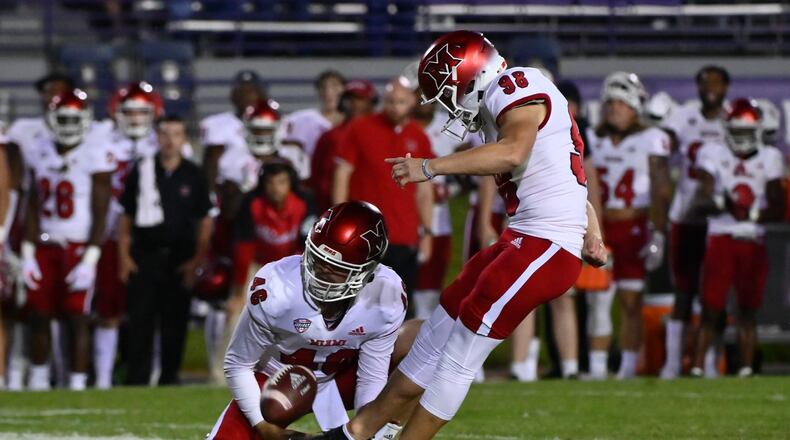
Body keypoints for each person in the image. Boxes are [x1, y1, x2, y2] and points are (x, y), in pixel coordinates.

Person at [316, 30, 607, 440]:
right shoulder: (501, 101)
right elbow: (569, 181)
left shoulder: (515, 84)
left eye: (447, 92)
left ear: (467, 75)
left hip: (544, 244)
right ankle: (356, 432)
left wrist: (430, 166)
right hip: (522, 238)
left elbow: (513, 153)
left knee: (458, 356)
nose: (449, 104)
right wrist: (592, 231)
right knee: (434, 335)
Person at [208, 201, 411, 440]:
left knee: (417, 338)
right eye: (317, 258)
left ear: (366, 270)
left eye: (335, 267)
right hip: (276, 381)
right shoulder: (276, 287)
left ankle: (388, 434)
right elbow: (239, 365)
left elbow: (371, 377)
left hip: (340, 378)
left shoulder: (386, 296)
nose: (321, 271)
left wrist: (367, 430)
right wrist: (264, 426)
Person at [20, 89, 115, 391]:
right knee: (39, 316)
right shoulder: (39, 149)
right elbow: (33, 204)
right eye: (63, 118)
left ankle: (76, 382)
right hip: (46, 246)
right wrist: (27, 250)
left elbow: (102, 213)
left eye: (74, 119)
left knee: (78, 318)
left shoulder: (95, 153)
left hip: (77, 247)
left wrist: (91, 257)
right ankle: (37, 379)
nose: (69, 125)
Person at [585, 72, 672, 379]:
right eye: (609, 103)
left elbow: (661, 188)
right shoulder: (591, 138)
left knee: (631, 301)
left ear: (635, 107)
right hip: (601, 223)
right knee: (598, 300)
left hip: (634, 225)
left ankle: (627, 368)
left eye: (621, 104)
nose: (613, 109)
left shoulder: (651, 138)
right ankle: (596, 368)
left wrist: (659, 232)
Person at [690, 98, 785, 378]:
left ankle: (745, 367)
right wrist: (723, 204)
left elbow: (779, 206)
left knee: (747, 309)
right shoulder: (713, 153)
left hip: (752, 238)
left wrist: (753, 216)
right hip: (720, 236)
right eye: (737, 132)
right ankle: (697, 367)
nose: (741, 139)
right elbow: (701, 198)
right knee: (710, 308)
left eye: (747, 132)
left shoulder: (770, 158)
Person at [119, 115, 213, 385]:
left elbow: (204, 220)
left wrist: (196, 260)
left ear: (184, 138)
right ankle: (137, 378)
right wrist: (124, 257)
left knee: (175, 322)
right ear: (156, 137)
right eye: (164, 133)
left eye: (176, 134)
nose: (170, 140)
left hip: (179, 258)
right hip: (145, 256)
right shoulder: (142, 170)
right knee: (140, 322)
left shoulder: (193, 174)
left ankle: (169, 377)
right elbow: (125, 215)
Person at [91, 81, 164, 389]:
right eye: (129, 112)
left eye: (141, 112)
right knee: (108, 309)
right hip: (109, 234)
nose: (135, 119)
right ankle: (104, 378)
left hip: (152, 239)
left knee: (153, 311)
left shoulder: (164, 142)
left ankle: (154, 375)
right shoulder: (99, 139)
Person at [332, 78, 434, 298]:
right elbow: (343, 174)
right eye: (390, 101)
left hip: (403, 233)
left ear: (412, 102)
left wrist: (426, 231)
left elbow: (424, 190)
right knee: (355, 300)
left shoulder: (419, 137)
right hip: (364, 232)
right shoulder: (359, 129)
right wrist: (339, 218)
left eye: (401, 101)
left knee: (398, 303)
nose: (395, 106)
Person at [660, 65, 729, 379]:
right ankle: (674, 364)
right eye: (705, 82)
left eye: (716, 82)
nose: (710, 87)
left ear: (726, 86)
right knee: (684, 291)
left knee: (714, 295)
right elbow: (662, 146)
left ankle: (711, 362)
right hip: (686, 215)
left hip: (719, 219)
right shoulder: (684, 116)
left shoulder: (733, 121)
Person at [310, 80, 379, 214]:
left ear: (371, 102)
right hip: (338, 210)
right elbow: (318, 177)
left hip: (375, 209)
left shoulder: (383, 135)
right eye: (349, 99)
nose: (354, 104)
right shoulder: (329, 137)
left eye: (360, 99)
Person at [200, 70, 267, 191]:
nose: (247, 97)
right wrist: (210, 193)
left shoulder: (270, 123)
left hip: (263, 192)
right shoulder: (218, 124)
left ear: (260, 95)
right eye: (242, 92)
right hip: (228, 192)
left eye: (251, 92)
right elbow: (210, 164)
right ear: (233, 95)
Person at [279, 70, 346, 181]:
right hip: (314, 179)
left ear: (344, 89)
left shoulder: (353, 122)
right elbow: (278, 136)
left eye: (334, 86)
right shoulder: (303, 119)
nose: (328, 92)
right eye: (323, 87)